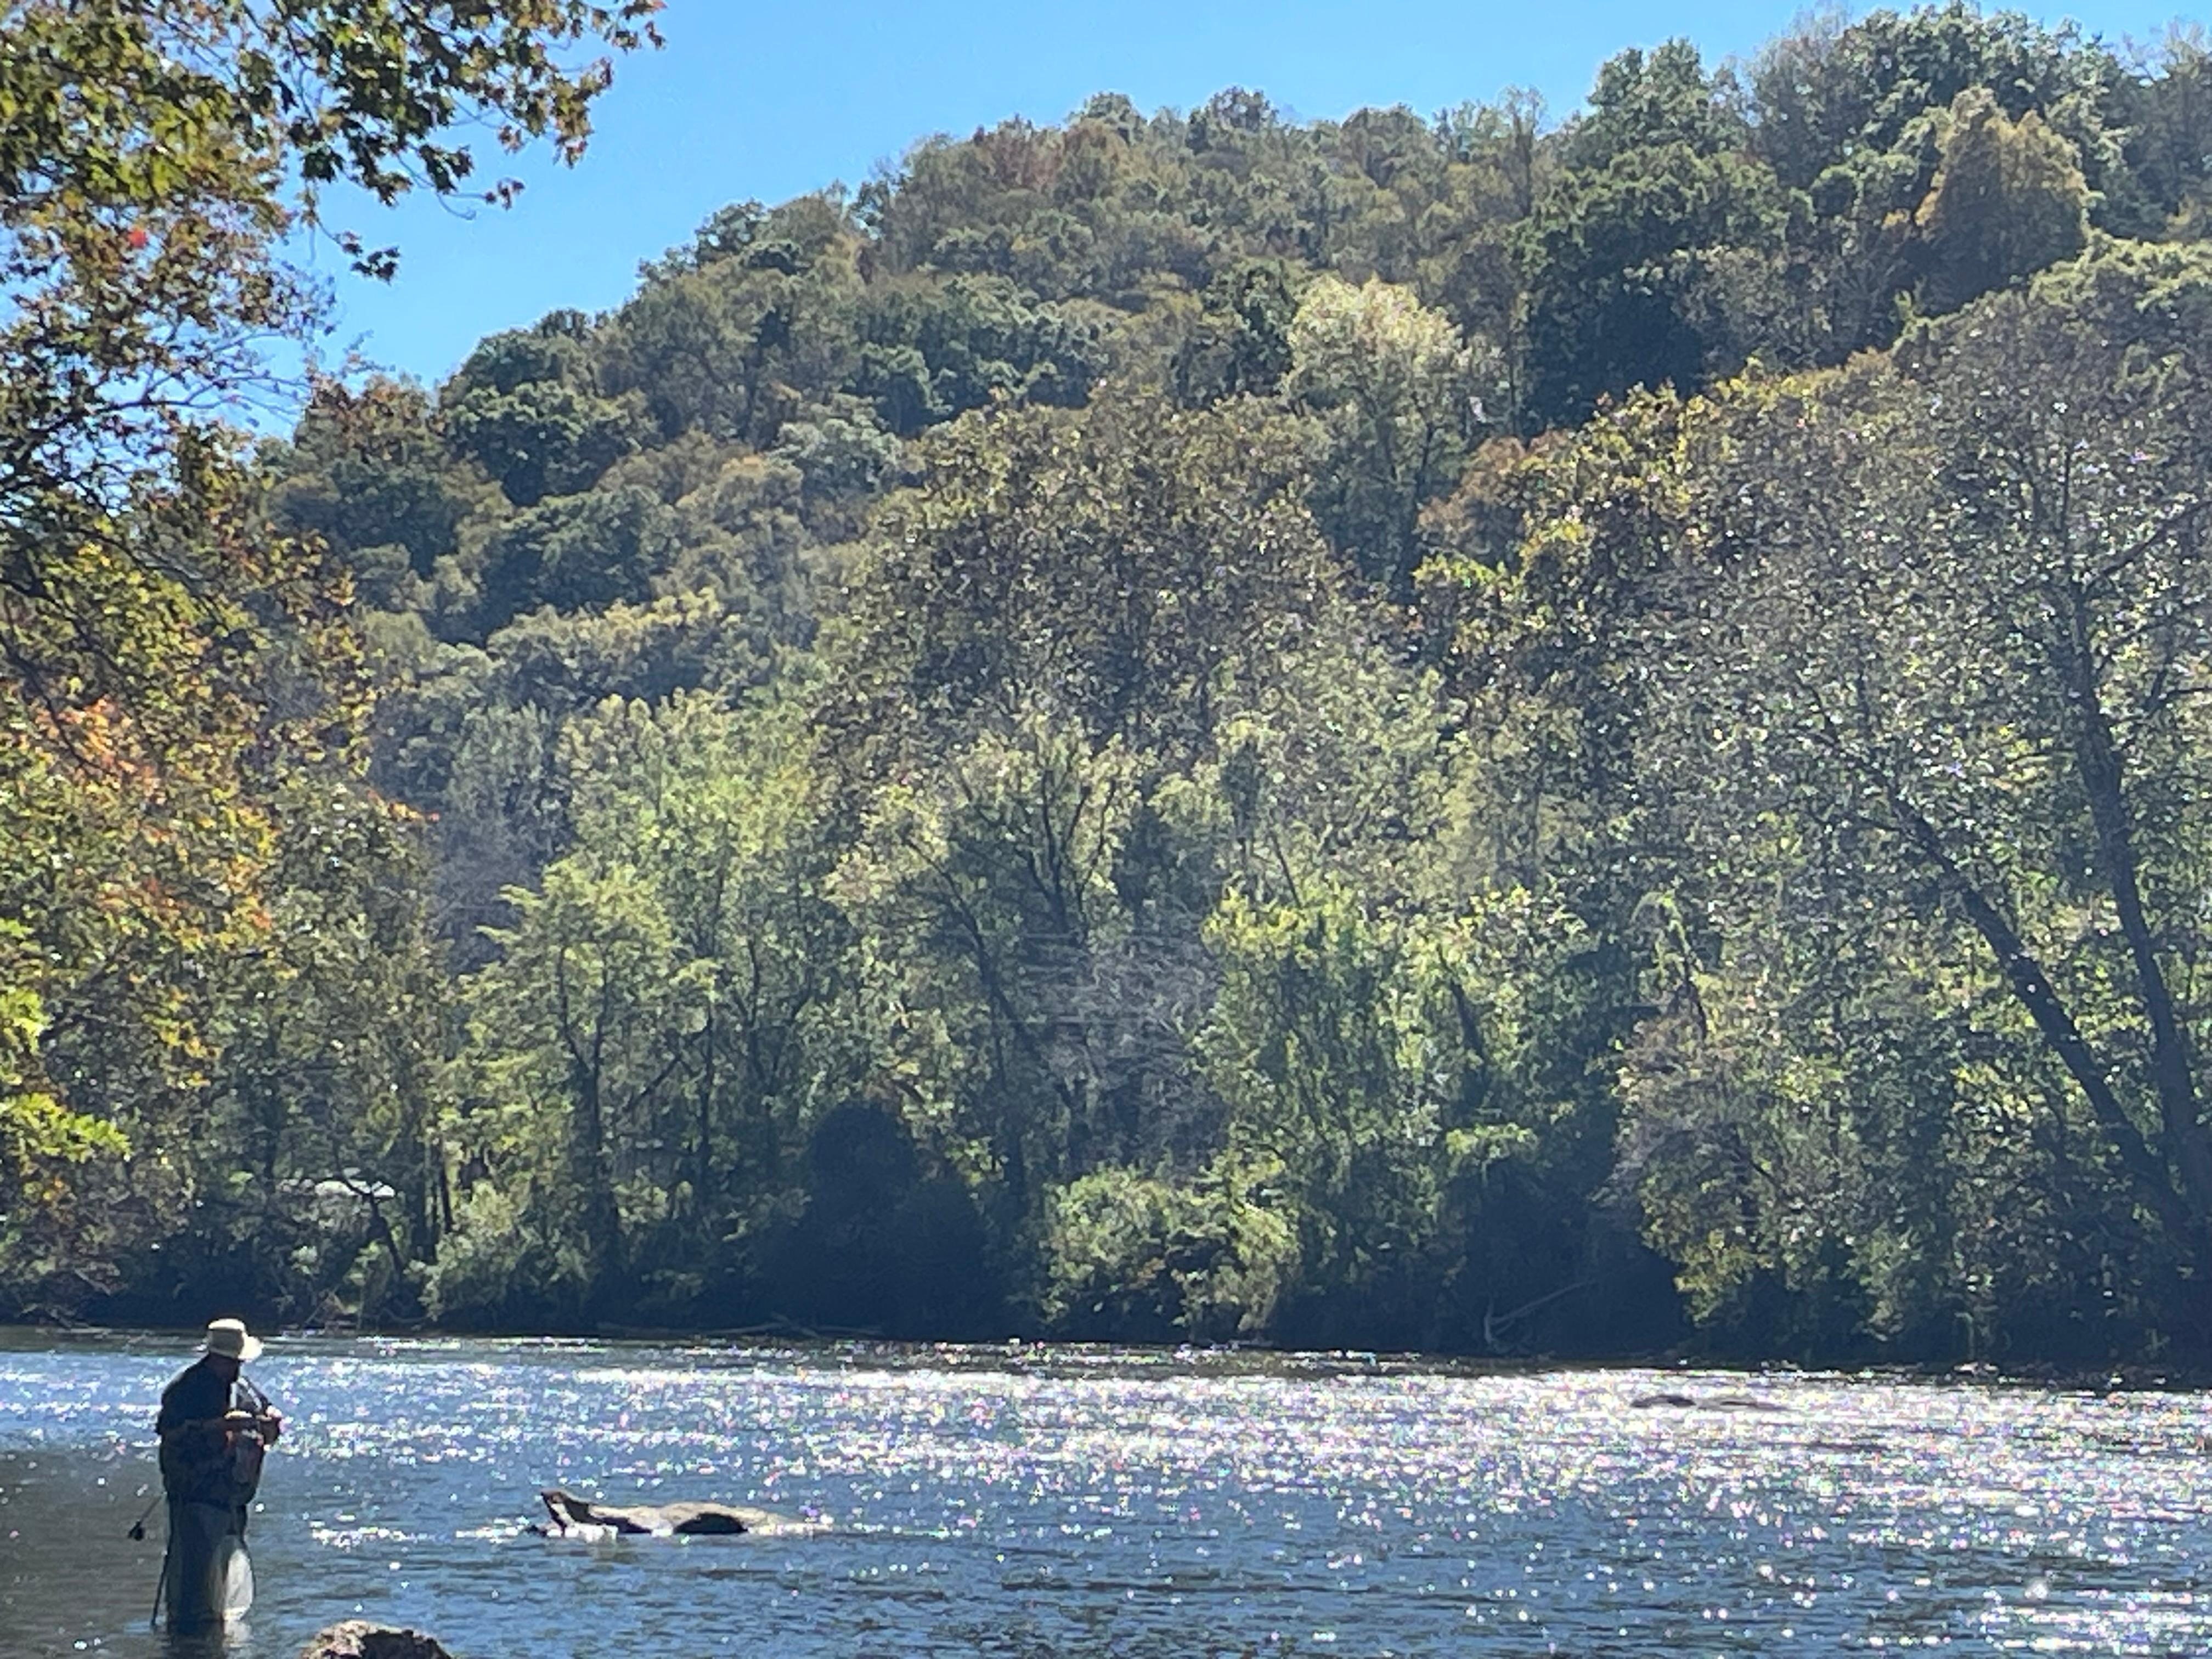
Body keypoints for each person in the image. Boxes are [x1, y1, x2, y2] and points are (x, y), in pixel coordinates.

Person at [155, 1318, 282, 1632]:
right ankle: (187, 1637)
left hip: (232, 1494)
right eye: (232, 1361)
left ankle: (212, 1635)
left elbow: (268, 1419)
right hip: (195, 1494)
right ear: (215, 1357)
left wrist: (272, 1423)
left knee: (222, 1573)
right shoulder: (185, 1389)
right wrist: (221, 1426)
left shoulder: (243, 1388)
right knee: (192, 1576)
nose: (238, 1367)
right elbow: (170, 1435)